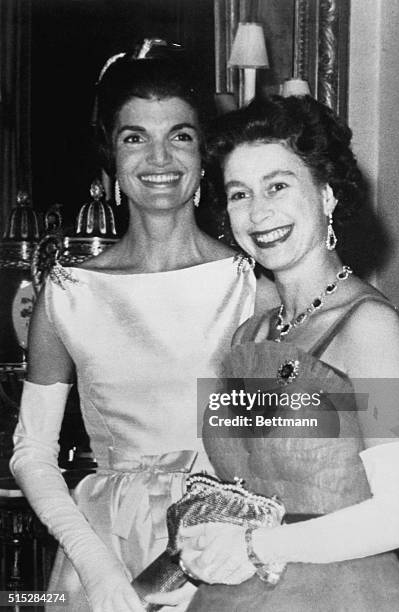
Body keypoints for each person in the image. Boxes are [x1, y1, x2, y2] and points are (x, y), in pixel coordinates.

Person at [10, 40, 274, 612]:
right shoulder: (67, 295)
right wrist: (96, 565)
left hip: (221, 542)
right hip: (102, 550)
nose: (160, 159)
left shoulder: (252, 289)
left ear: (205, 153)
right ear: (110, 152)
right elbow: (31, 451)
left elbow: (301, 440)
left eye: (179, 135)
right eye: (136, 138)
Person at [179, 95, 399, 611]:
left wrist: (259, 546)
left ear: (326, 195)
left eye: (278, 186)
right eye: (239, 194)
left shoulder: (373, 328)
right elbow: (244, 484)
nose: (258, 212)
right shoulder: (248, 336)